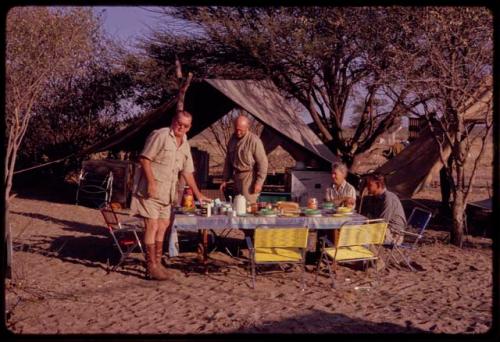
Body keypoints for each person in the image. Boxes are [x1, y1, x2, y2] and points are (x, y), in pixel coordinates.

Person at [131, 111, 211, 280]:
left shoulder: (185, 144)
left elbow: (187, 171)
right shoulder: (160, 135)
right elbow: (145, 159)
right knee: (151, 226)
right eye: (179, 123)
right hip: (151, 191)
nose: (181, 127)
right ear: (173, 121)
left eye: (185, 126)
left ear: (189, 128)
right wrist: (151, 182)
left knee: (163, 226)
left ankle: (157, 263)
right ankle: (150, 266)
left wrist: (198, 194)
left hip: (168, 194)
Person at [220, 115, 268, 204]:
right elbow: (228, 162)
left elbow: (263, 163)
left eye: (241, 130)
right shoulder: (232, 140)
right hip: (236, 177)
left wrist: (259, 182)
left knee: (248, 205)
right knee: (236, 205)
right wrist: (225, 179)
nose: (238, 132)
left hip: (249, 178)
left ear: (247, 127)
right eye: (236, 129)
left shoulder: (254, 141)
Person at [360, 172, 407, 245]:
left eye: (369, 185)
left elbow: (382, 223)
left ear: (378, 185)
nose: (367, 187)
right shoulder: (375, 197)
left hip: (394, 234)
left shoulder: (388, 198)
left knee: (360, 235)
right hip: (381, 229)